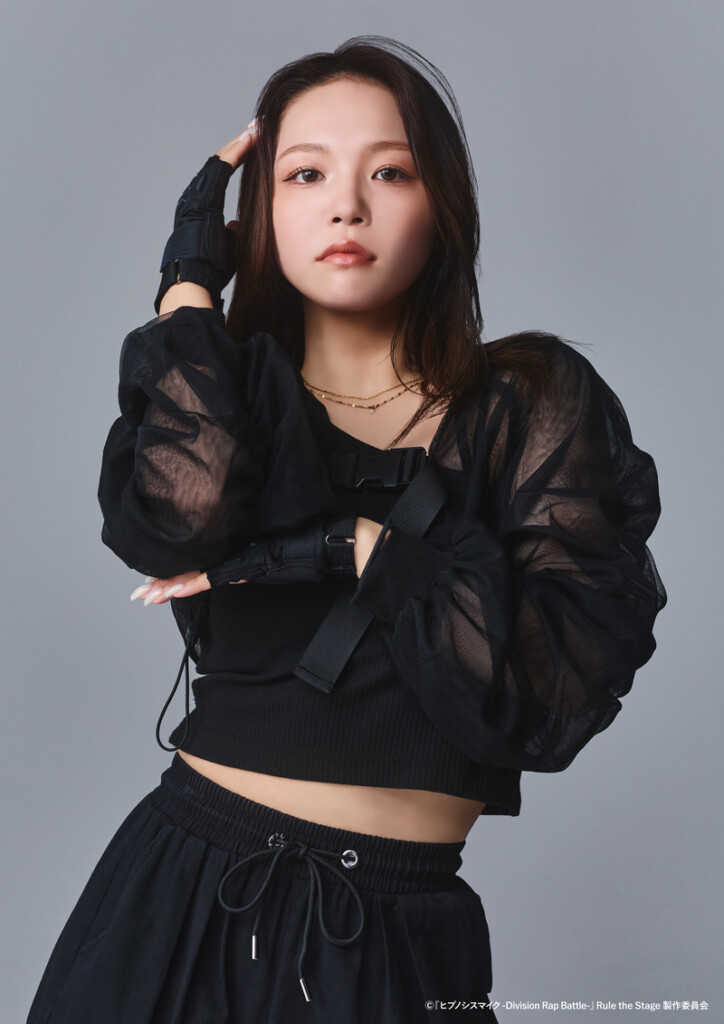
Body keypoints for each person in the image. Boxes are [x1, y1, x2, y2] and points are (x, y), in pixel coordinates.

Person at [27, 35, 667, 1024]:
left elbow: (548, 696)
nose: (346, 206)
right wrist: (189, 278)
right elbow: (178, 516)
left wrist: (353, 548)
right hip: (184, 892)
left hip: (395, 935)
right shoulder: (231, 393)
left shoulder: (529, 402)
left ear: (440, 203)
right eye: (305, 174)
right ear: (260, 216)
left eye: (390, 172)